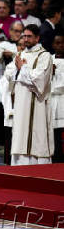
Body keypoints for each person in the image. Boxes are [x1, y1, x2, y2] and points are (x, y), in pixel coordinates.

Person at [10, 24, 54, 165]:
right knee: (19, 136)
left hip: (37, 105)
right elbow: (10, 74)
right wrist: (20, 71)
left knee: (36, 137)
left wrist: (22, 69)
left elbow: (38, 79)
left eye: (29, 36)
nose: (26, 39)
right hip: (21, 104)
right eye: (24, 36)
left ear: (37, 38)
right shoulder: (21, 54)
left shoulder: (44, 56)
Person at [51, 31, 64, 163]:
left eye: (61, 43)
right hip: (52, 101)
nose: (59, 45)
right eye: (56, 43)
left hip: (62, 99)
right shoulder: (49, 59)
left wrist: (56, 74)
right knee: (54, 134)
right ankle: (56, 157)